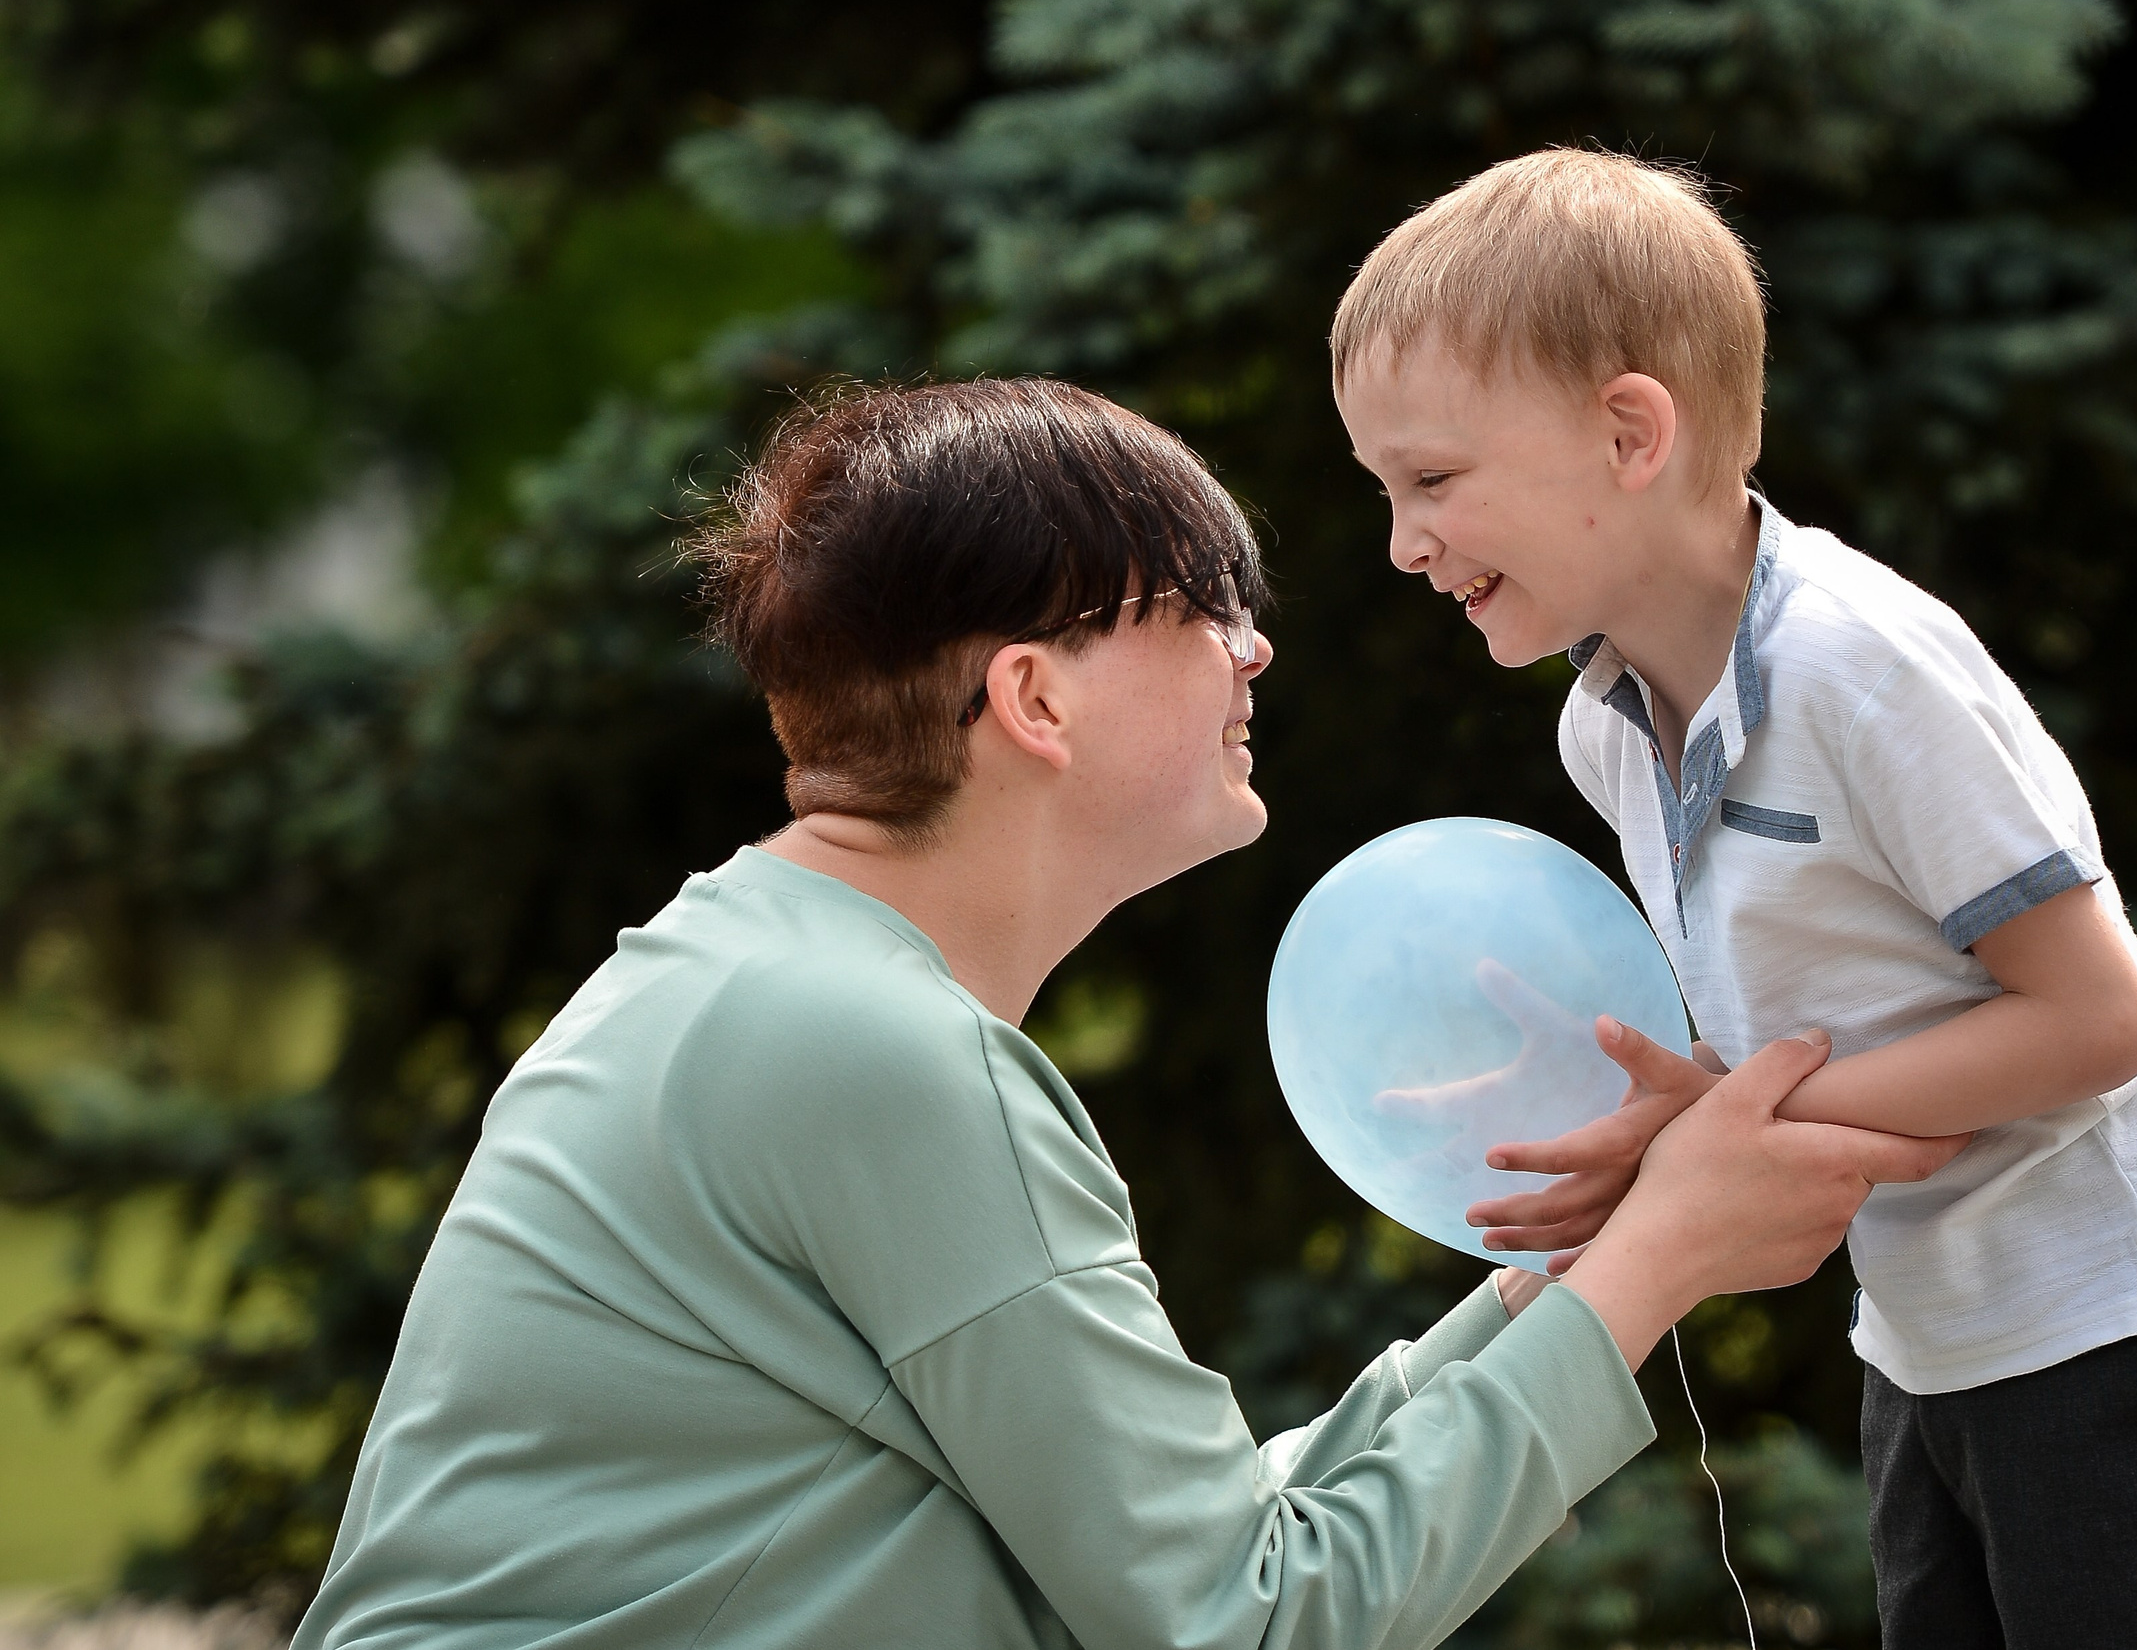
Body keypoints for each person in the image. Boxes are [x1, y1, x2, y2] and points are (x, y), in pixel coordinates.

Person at [291, 377, 1962, 1650]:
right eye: (1200, 609)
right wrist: (1659, 1259)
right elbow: (1242, 1617)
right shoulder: (877, 1055)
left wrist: (1598, 1264)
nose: (1254, 653)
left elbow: (1190, 1536)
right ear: (1032, 695)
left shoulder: (764, 978)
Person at [1329, 149, 2137, 1649]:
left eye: (1432, 482)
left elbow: (2092, 1019)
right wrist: (1693, 1116)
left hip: (2116, 1317)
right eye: (1386, 493)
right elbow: (1812, 1051)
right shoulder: (1602, 728)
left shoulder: (1860, 666)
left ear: (1628, 434)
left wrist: (1743, 1123)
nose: (1406, 542)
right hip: (1924, 1335)